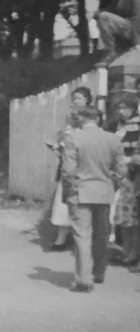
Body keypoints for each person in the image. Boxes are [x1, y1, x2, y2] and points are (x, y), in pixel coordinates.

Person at [63, 106, 127, 292]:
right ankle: (99, 272)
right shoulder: (113, 139)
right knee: (101, 235)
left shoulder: (73, 138)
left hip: (81, 191)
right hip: (104, 191)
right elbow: (121, 170)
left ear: (81, 119)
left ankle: (84, 278)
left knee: (82, 235)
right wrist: (112, 183)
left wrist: (69, 191)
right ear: (98, 119)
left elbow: (68, 171)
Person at [50, 88, 94, 251]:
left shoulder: (93, 118)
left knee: (83, 203)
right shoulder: (69, 120)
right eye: (74, 98)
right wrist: (58, 145)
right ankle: (61, 236)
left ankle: (82, 237)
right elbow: (62, 138)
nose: (77, 101)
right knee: (64, 200)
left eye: (80, 98)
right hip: (68, 166)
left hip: (84, 166)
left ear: (88, 100)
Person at [111, 96, 140, 266]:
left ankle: (133, 253)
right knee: (124, 218)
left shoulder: (136, 125)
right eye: (119, 108)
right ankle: (127, 252)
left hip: (132, 175)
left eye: (125, 108)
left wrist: (127, 164)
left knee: (133, 220)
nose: (121, 111)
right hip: (121, 176)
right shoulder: (119, 125)